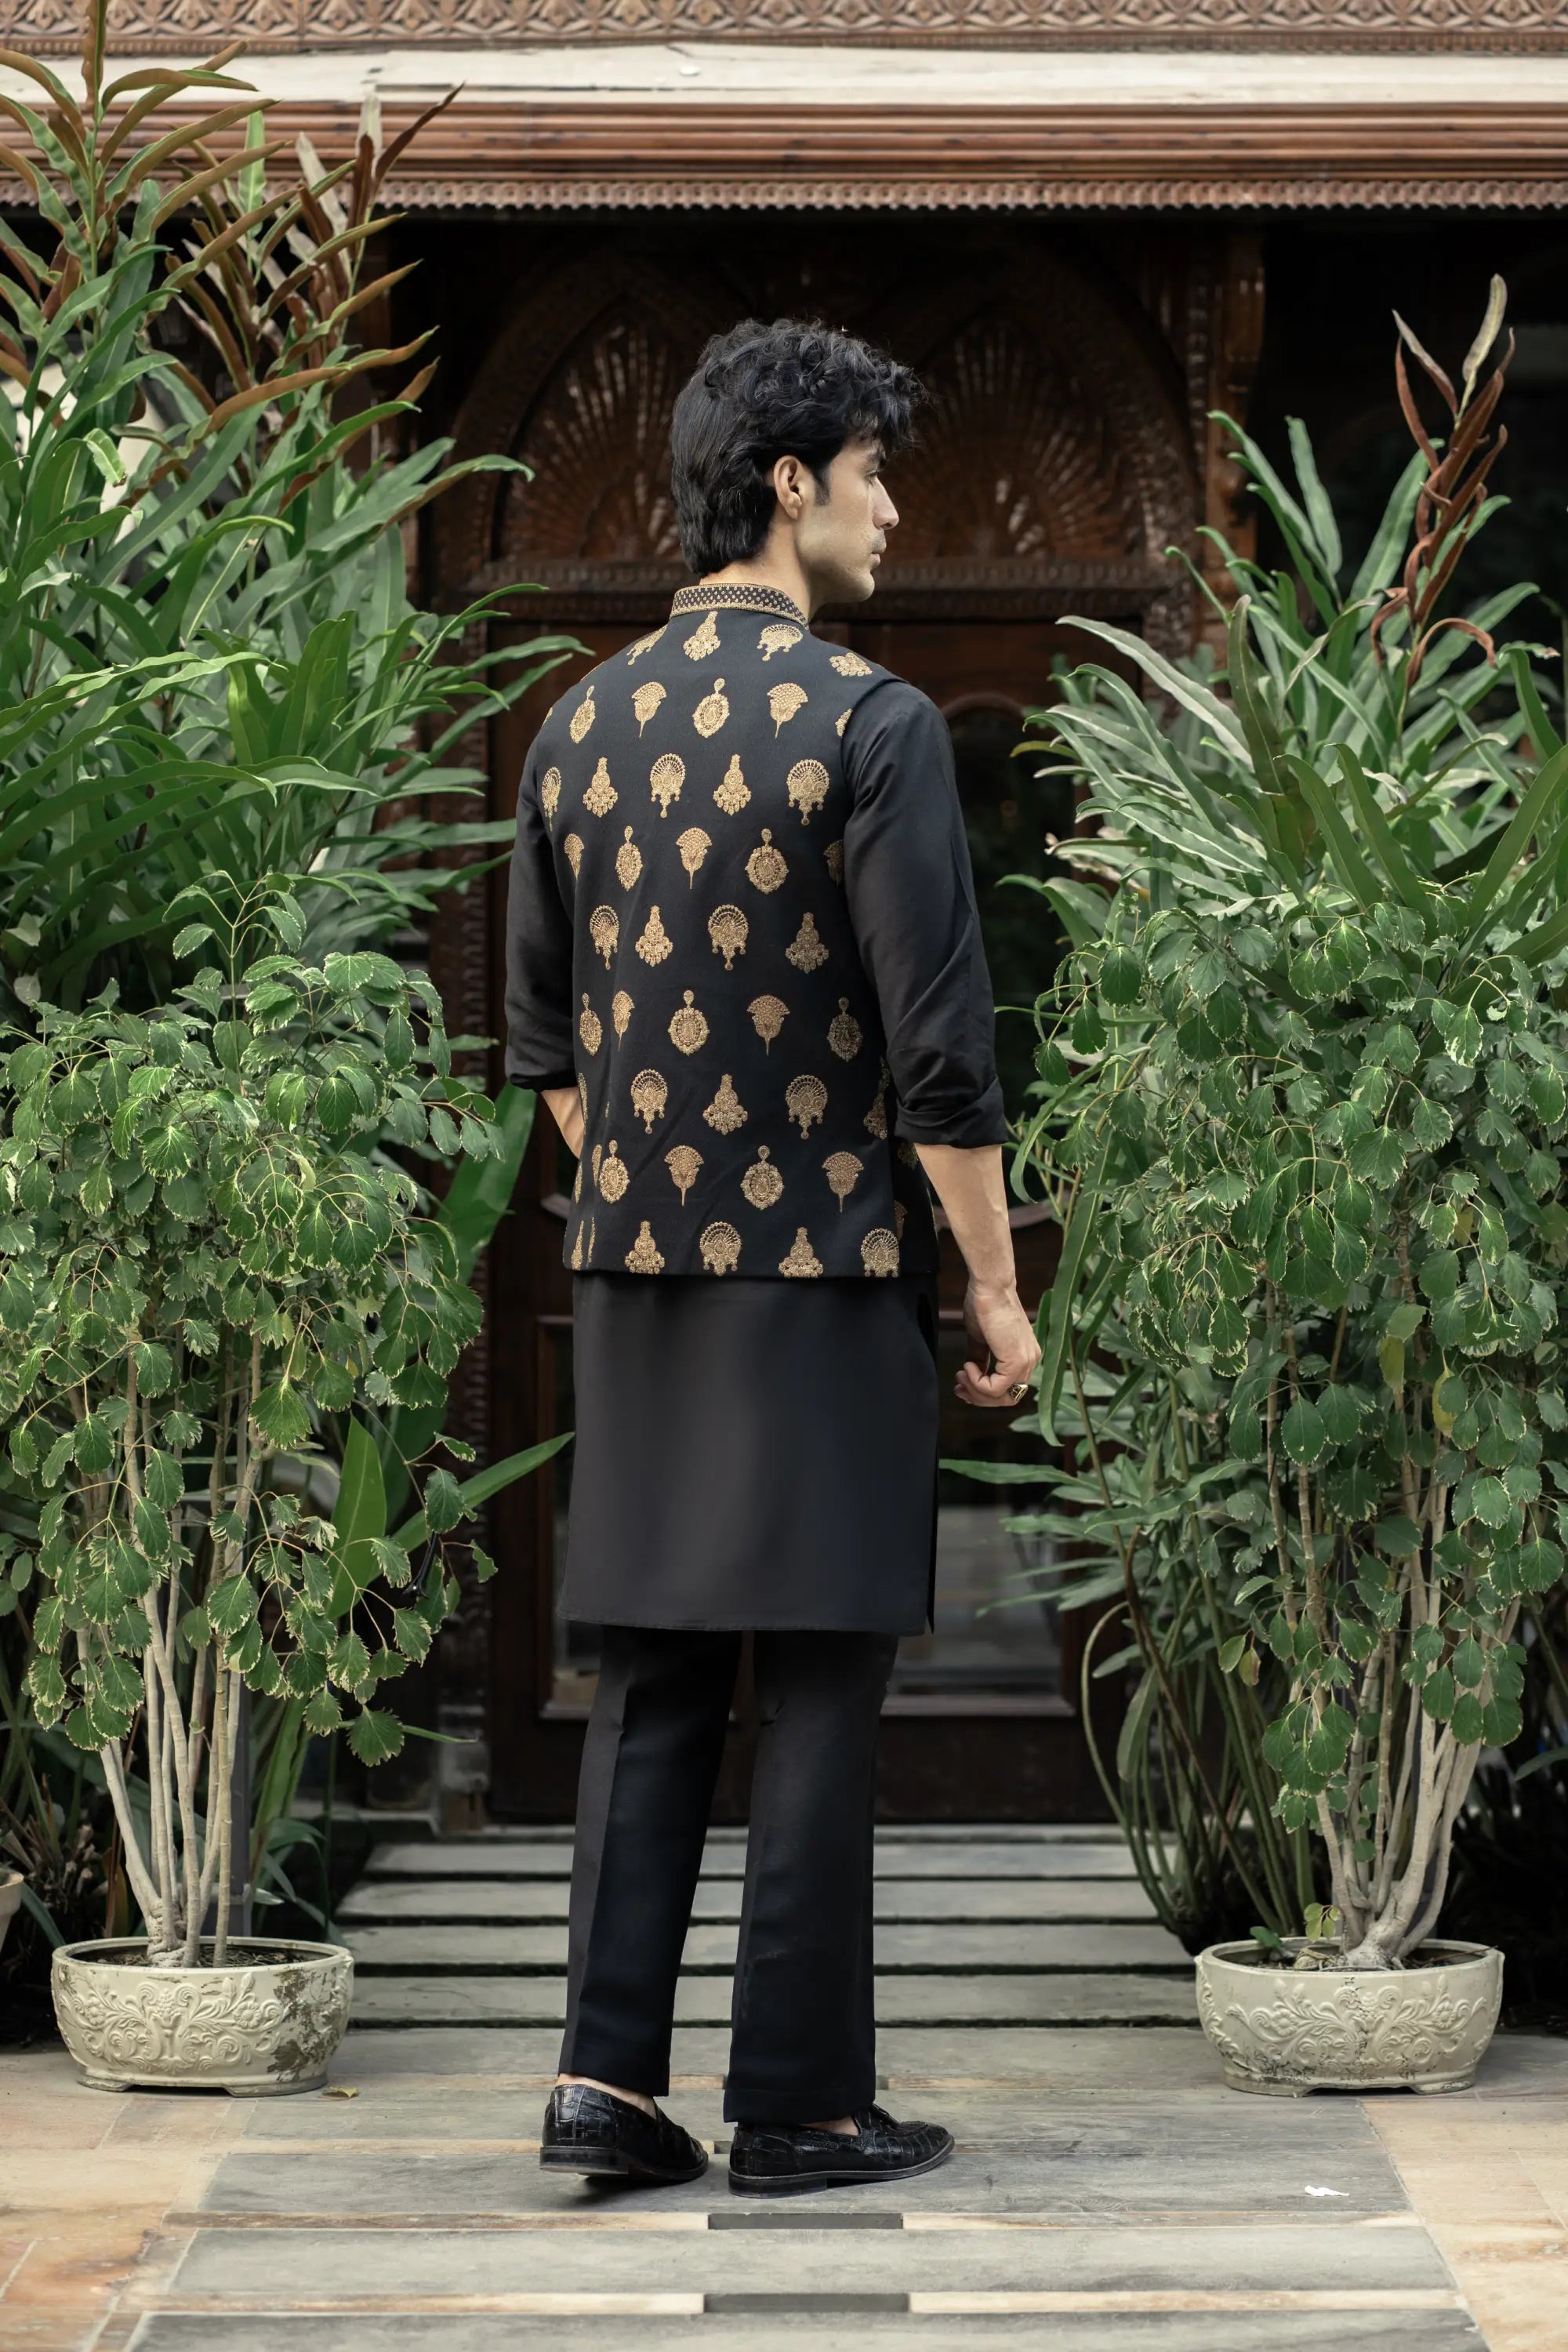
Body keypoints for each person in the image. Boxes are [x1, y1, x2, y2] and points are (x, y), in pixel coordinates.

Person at [504, 318, 1040, 2198]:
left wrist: (656, 1184)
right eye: (873, 476)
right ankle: (801, 2108)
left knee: (651, 1679)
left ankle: (603, 2086)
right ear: (790, 481)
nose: (891, 513)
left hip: (636, 1284)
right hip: (821, 1279)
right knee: (816, 1680)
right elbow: (941, 1057)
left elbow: (546, 1049)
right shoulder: (869, 725)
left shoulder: (576, 729)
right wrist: (992, 1289)